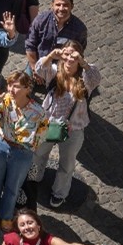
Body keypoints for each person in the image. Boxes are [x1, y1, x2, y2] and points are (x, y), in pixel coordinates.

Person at [28, 46, 101, 209]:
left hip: (73, 129)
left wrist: (83, 62)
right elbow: (39, 68)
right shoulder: (54, 71)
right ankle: (34, 177)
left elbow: (96, 76)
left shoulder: (85, 79)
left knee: (67, 163)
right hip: (48, 123)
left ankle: (59, 193)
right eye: (66, 55)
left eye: (73, 56)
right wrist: (51, 54)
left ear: (80, 58)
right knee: (38, 153)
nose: (69, 59)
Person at [0, 72, 47, 230]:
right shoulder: (4, 100)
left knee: (13, 186)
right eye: (10, 85)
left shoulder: (38, 111)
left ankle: (6, 215)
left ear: (27, 89)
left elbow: (42, 132)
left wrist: (31, 147)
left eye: (16, 86)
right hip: (1, 144)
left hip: (22, 152)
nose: (11, 89)